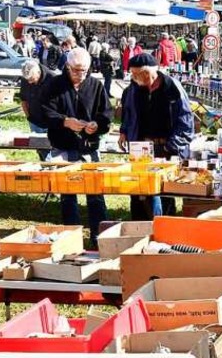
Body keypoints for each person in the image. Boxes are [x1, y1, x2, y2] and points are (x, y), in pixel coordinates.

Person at [41, 46, 111, 233]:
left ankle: (99, 235)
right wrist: (65, 121)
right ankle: (71, 235)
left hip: (89, 146)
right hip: (62, 145)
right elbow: (44, 112)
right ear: (67, 67)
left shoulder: (95, 85)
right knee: (68, 193)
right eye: (76, 71)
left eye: (84, 71)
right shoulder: (55, 84)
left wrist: (97, 124)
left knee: (95, 192)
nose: (81, 75)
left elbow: (106, 113)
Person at [119, 52, 194, 220]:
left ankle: (164, 227)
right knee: (138, 188)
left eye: (137, 74)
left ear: (149, 72)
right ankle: (139, 229)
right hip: (140, 146)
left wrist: (170, 146)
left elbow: (185, 122)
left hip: (166, 147)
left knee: (164, 190)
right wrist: (124, 131)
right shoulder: (132, 88)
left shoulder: (171, 87)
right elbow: (128, 112)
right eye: (132, 73)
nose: (133, 77)